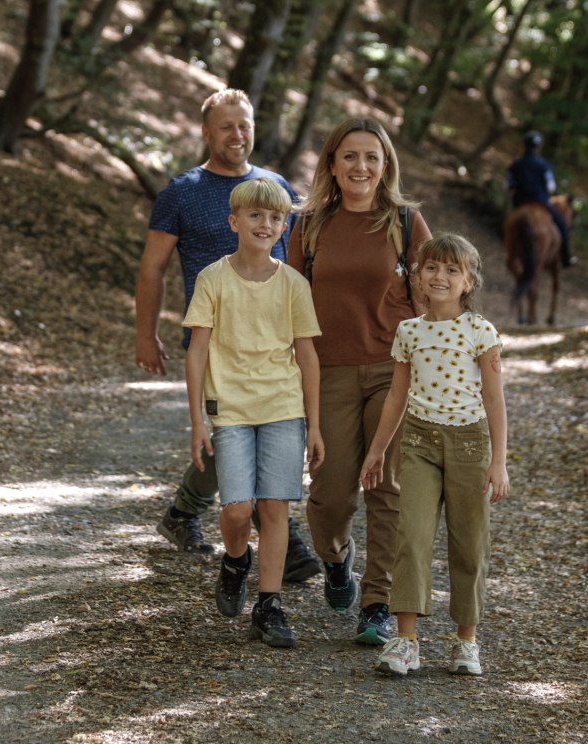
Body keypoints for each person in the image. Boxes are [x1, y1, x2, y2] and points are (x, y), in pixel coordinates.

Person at [133, 88, 323, 581]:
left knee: (247, 436)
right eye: (225, 126)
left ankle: (183, 511)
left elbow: (295, 264)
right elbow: (152, 267)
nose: (237, 135)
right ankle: (282, 537)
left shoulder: (274, 186)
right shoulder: (182, 191)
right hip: (213, 338)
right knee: (228, 436)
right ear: (205, 132)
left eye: (244, 125)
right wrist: (145, 333)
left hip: (270, 343)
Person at [286, 117, 433, 647]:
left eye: (372, 156)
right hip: (328, 373)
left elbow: (434, 296)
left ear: (385, 165)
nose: (361, 166)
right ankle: (336, 557)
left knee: (388, 489)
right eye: (350, 156)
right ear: (332, 164)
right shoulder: (309, 226)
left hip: (395, 371)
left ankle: (377, 605)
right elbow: (289, 303)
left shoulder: (406, 222)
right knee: (328, 495)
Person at [360, 234, 509, 678]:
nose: (439, 277)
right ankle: (405, 641)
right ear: (418, 277)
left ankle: (466, 641)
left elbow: (495, 399)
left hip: (469, 444)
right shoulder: (409, 331)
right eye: (431, 268)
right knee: (412, 536)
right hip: (420, 444)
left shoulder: (481, 332)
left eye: (451, 270)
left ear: (468, 281)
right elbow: (396, 397)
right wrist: (376, 450)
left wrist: (498, 460)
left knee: (469, 542)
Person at [185, 177, 324, 647]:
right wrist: (196, 420)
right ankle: (235, 559)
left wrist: (316, 425)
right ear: (234, 222)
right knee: (238, 509)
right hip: (231, 409)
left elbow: (307, 357)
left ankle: (268, 605)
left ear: (284, 227)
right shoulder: (212, 279)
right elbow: (196, 351)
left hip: (283, 406)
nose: (265, 224)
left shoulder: (293, 285)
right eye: (255, 216)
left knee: (274, 505)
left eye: (274, 218)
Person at [506, 130, 576, 266]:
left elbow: (508, 184)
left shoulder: (516, 164)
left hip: (519, 203)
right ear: (538, 147)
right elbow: (551, 187)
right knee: (561, 224)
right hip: (540, 202)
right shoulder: (544, 165)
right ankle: (566, 257)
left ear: (524, 145)